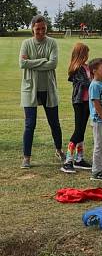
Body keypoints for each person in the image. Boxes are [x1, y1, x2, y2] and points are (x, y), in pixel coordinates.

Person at [19, 14, 64, 169]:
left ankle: (59, 150)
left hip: (48, 89)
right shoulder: (26, 43)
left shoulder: (52, 43)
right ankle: (26, 157)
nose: (40, 31)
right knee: (30, 124)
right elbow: (22, 63)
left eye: (43, 28)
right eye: (37, 29)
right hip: (30, 89)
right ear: (32, 29)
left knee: (54, 123)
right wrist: (42, 61)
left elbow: (53, 64)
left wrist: (32, 63)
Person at [61, 43, 92, 173]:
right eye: (85, 53)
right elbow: (85, 83)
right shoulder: (77, 69)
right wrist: (96, 79)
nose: (87, 56)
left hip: (88, 102)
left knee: (82, 130)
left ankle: (79, 159)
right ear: (80, 54)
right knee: (78, 131)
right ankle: (68, 161)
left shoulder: (86, 66)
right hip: (79, 102)